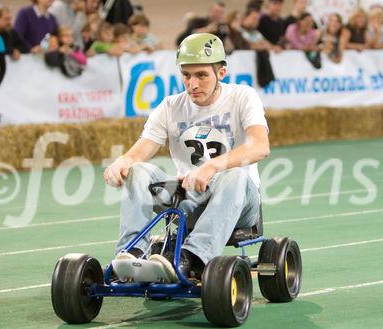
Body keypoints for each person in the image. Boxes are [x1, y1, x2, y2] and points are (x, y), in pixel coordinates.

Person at [103, 33, 270, 278]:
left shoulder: (242, 97)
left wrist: (213, 166)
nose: (193, 84)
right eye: (186, 75)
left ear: (220, 73)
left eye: (202, 75)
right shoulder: (171, 106)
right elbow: (142, 150)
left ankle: (192, 257)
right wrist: (123, 163)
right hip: (188, 197)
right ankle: (133, 252)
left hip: (239, 201)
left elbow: (260, 146)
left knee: (233, 175)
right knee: (138, 170)